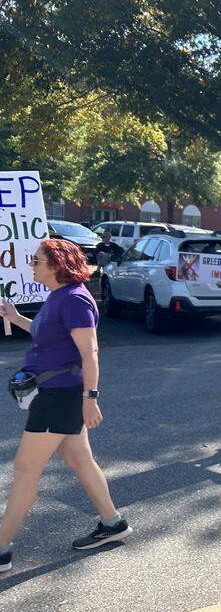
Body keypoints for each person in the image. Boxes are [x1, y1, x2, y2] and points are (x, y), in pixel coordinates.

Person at [0, 239, 131, 573]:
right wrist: (16, 318)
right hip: (57, 394)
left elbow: (90, 352)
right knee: (79, 459)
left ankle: (1, 546)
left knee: (25, 469)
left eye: (37, 260)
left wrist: (91, 398)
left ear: (56, 264)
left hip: (61, 397)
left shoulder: (74, 300)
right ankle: (113, 523)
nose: (32, 265)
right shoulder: (57, 297)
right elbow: (49, 336)